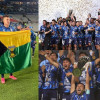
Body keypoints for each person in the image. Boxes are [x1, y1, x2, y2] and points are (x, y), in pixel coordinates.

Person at [0, 15, 17, 84]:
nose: (8, 21)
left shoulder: (12, 28)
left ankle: (11, 75)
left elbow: (16, 36)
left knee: (11, 61)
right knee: (3, 62)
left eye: (9, 19)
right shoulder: (0, 28)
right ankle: (2, 77)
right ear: (3, 21)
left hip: (11, 47)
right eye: (7, 19)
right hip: (2, 48)